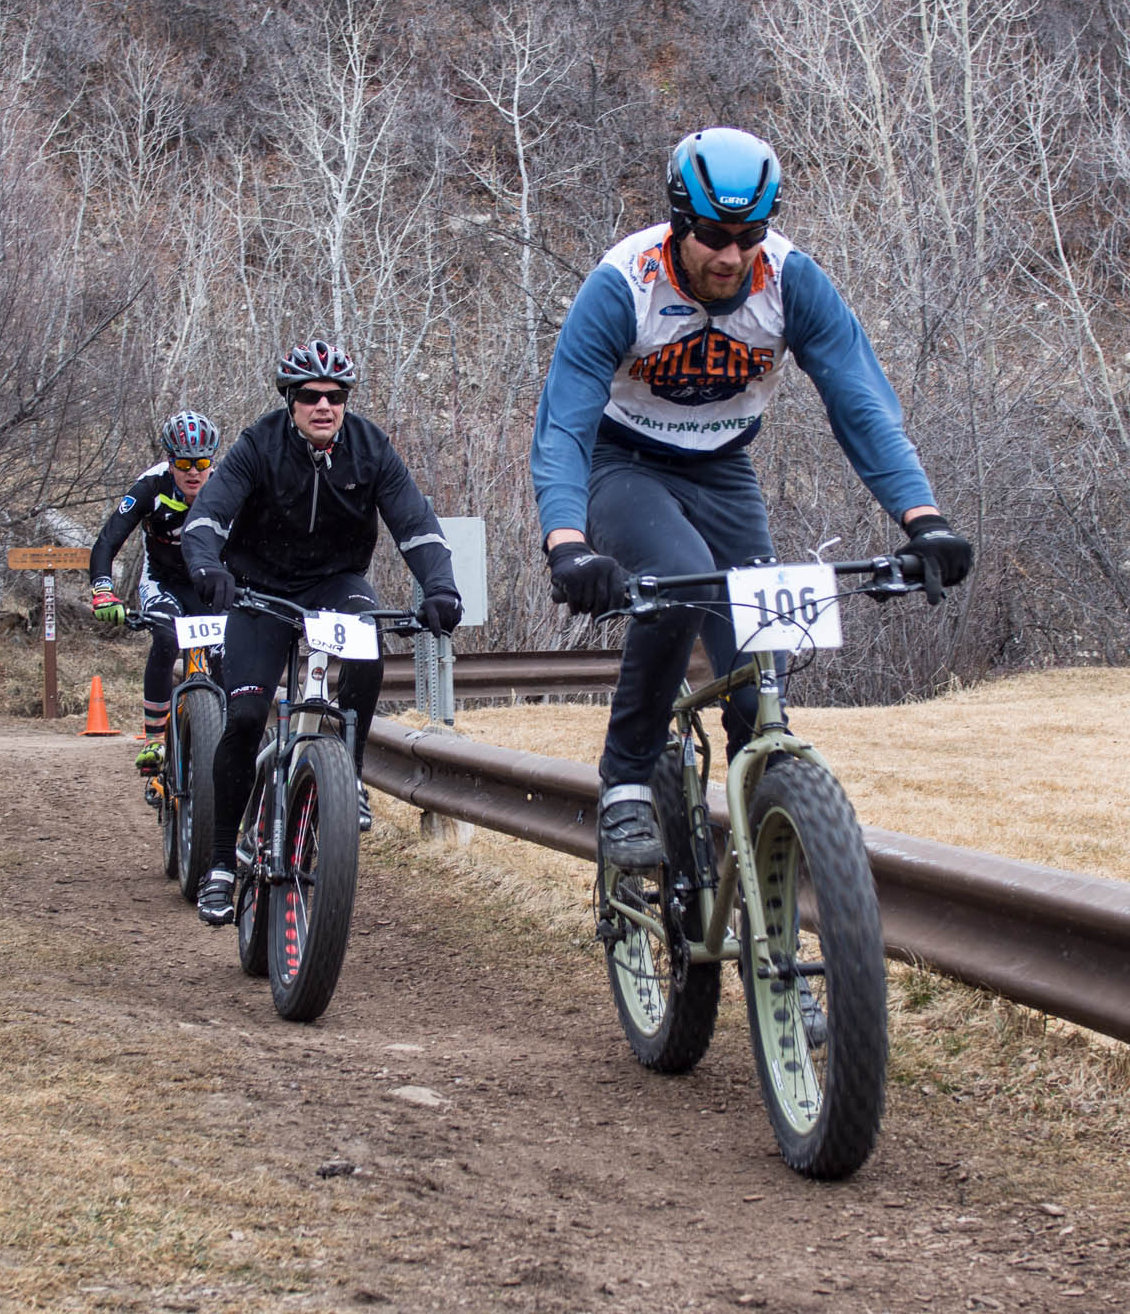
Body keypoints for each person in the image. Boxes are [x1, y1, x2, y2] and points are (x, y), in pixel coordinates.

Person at [529, 127, 973, 872]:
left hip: (724, 470)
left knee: (758, 660)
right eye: (712, 236)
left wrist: (923, 520)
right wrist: (567, 543)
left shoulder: (791, 281)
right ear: (679, 223)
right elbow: (564, 423)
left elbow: (860, 403)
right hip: (622, 463)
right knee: (680, 578)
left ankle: (769, 824)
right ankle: (626, 782)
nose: (731, 257)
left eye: (749, 236)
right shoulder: (624, 283)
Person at [181, 339, 463, 925]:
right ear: (290, 401)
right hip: (258, 590)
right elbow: (208, 515)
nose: (324, 406)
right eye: (310, 396)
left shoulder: (370, 448)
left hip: (336, 584)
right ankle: (221, 865)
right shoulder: (258, 444)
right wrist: (207, 568)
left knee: (368, 645)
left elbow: (417, 525)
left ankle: (348, 776)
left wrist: (441, 589)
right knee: (246, 718)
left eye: (336, 396)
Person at [89, 410, 223, 770]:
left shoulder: (226, 486)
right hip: (163, 581)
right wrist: (103, 590)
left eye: (201, 463)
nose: (193, 472)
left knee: (228, 654)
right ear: (169, 460)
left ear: (212, 461)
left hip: (211, 582)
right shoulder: (150, 486)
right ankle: (154, 740)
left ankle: (226, 736)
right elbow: (107, 541)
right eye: (183, 463)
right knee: (166, 637)